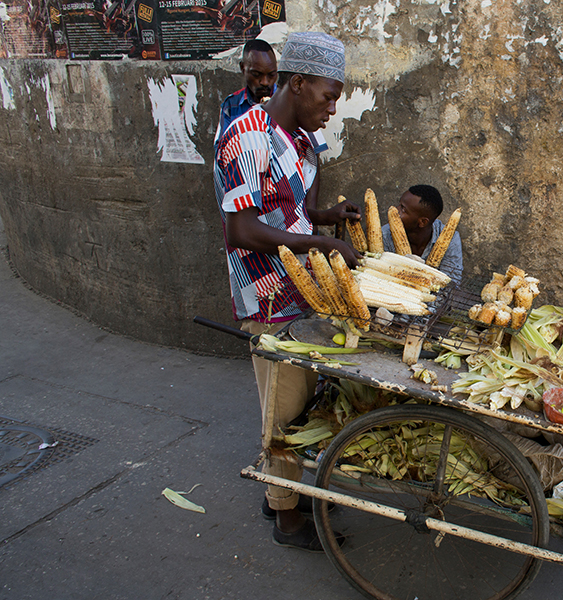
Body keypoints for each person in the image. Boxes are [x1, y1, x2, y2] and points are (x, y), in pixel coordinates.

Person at [214, 31, 361, 551]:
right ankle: (288, 520)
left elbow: (287, 209)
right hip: (268, 293)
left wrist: (323, 217)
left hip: (301, 289)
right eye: (328, 95)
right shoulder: (246, 137)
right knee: (283, 408)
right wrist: (318, 239)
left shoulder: (298, 138)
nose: (332, 108)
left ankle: (281, 491)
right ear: (297, 83)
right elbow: (243, 229)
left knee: (302, 402)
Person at [381, 184, 464, 284]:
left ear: (422, 222)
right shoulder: (385, 235)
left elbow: (451, 282)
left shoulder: (451, 240)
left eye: (403, 209)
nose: (395, 210)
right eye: (399, 205)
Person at [215, 38, 278, 143]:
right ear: (243, 68)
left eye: (271, 75)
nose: (265, 82)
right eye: (256, 75)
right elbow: (222, 150)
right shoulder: (231, 106)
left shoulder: (287, 102)